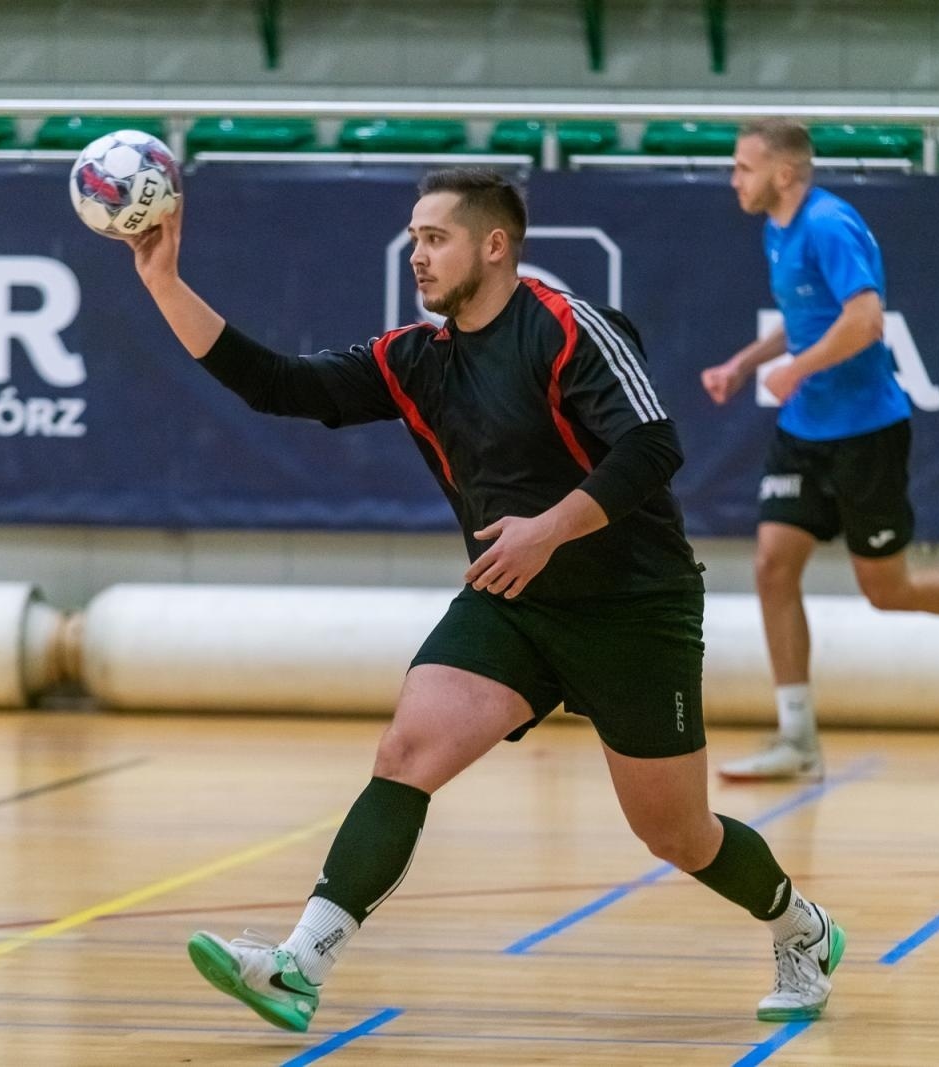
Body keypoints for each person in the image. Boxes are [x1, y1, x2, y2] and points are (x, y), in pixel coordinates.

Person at [125, 167, 846, 1029]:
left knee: (677, 834)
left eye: (435, 239)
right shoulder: (414, 359)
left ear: (494, 246)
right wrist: (163, 282)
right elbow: (283, 386)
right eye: (414, 239)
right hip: (513, 601)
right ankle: (298, 964)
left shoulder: (566, 329)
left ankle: (801, 928)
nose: (417, 257)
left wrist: (547, 528)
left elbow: (653, 445)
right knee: (406, 752)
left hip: (634, 606)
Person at [701, 120, 939, 782]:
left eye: (743, 168)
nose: (734, 179)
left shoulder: (828, 224)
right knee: (771, 566)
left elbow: (865, 319)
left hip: (866, 433)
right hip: (803, 430)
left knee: (887, 588)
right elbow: (807, 316)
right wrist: (745, 362)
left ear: (784, 174)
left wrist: (796, 369)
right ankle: (798, 738)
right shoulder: (778, 229)